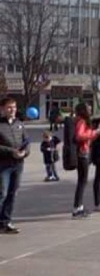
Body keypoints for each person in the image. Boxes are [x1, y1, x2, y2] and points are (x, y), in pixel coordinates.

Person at [0, 98, 30, 234]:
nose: (12, 110)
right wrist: (12, 152)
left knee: (12, 193)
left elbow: (26, 141)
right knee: (2, 193)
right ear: (2, 109)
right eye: (9, 107)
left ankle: (6, 222)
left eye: (14, 107)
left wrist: (24, 153)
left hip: (18, 165)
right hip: (4, 165)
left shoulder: (20, 124)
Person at [72, 103, 100, 219]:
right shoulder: (81, 121)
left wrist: (98, 131)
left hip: (84, 152)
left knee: (82, 181)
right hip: (82, 153)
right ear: (83, 110)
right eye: (88, 108)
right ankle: (77, 208)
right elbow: (80, 136)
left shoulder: (82, 121)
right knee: (82, 181)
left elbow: (89, 137)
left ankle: (79, 207)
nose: (90, 110)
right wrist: (95, 132)